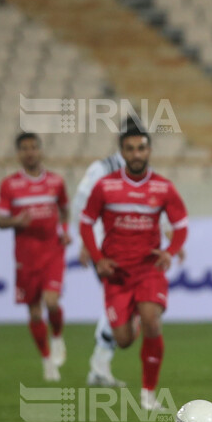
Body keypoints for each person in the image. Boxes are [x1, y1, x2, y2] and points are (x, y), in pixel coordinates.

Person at [78, 124, 189, 410]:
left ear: (149, 150)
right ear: (122, 152)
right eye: (130, 149)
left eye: (141, 148)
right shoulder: (106, 186)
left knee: (153, 320)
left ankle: (148, 396)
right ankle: (137, 314)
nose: (136, 154)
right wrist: (97, 257)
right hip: (116, 272)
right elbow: (86, 222)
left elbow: (180, 225)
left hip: (148, 268)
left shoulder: (163, 187)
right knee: (124, 339)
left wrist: (171, 251)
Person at [0, 132, 70, 381]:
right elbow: (0, 221)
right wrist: (16, 220)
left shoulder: (56, 181)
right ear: (19, 153)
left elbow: (65, 208)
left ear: (41, 151)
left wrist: (65, 231)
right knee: (35, 312)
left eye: (33, 147)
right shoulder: (9, 185)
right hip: (25, 255)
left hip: (52, 250)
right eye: (25, 148)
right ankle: (47, 360)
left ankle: (57, 336)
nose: (30, 152)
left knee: (51, 302)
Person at [71, 142, 126, 388]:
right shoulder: (102, 168)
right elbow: (80, 203)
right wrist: (85, 239)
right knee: (120, 301)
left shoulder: (145, 173)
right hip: (105, 246)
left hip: (131, 249)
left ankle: (99, 366)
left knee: (125, 305)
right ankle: (99, 365)